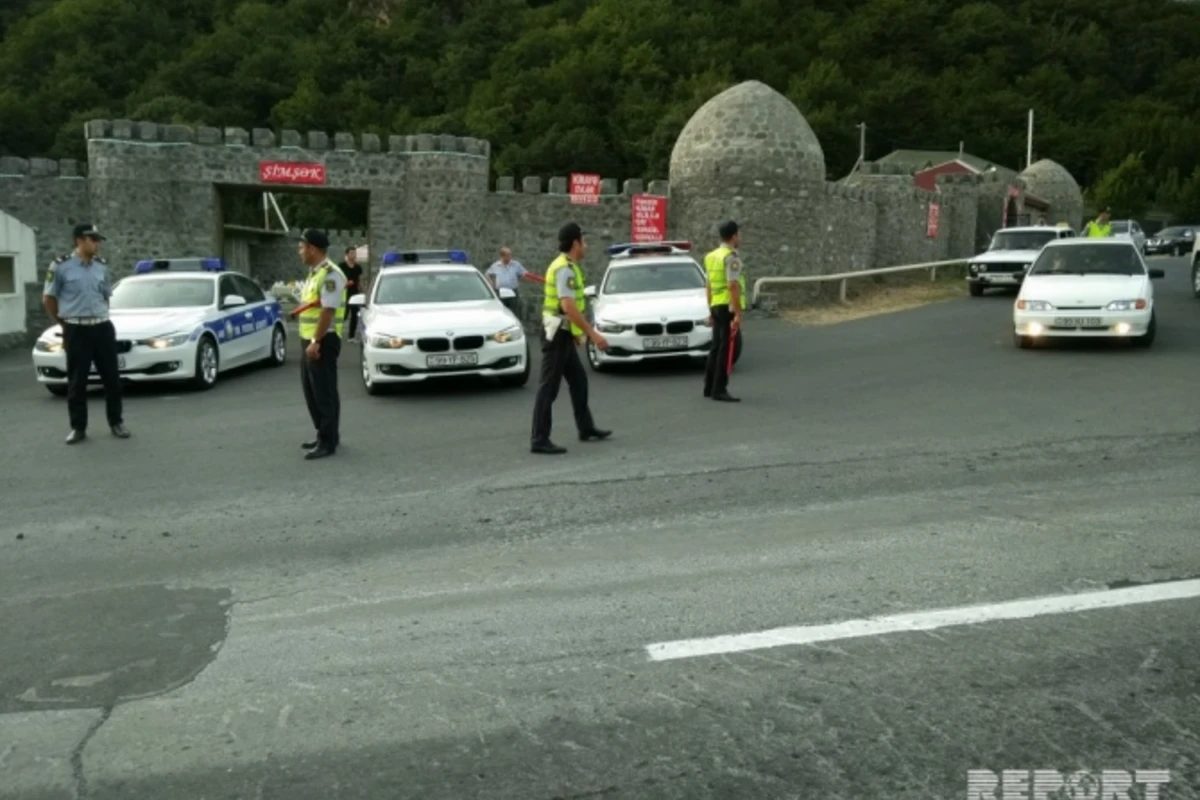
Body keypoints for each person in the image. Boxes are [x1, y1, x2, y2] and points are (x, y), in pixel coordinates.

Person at [42, 223, 130, 445]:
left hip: (102, 327)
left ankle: (116, 422)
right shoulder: (60, 266)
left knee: (112, 378)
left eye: (98, 240)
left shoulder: (101, 266)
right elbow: (48, 298)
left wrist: (101, 316)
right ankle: (78, 428)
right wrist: (64, 324)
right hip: (76, 328)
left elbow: (105, 296)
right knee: (77, 381)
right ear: (79, 241)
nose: (97, 244)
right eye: (93, 239)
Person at [530, 223, 611, 455]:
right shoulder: (565, 268)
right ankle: (539, 439)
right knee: (548, 389)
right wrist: (592, 333)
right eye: (584, 241)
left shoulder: (569, 266)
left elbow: (567, 309)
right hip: (556, 334)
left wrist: (576, 334)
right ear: (575, 243)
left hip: (563, 332)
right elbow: (568, 307)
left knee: (579, 380)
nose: (586, 246)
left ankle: (585, 428)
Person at [289, 229, 347, 460]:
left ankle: (327, 441)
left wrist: (315, 342)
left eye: (302, 246)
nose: (299, 250)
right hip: (311, 339)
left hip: (323, 339)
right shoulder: (315, 273)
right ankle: (325, 433)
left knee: (324, 391)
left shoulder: (331, 274)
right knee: (313, 390)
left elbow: (328, 311)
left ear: (313, 248)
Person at [702, 221, 744, 403]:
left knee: (716, 346)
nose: (740, 238)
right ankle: (720, 388)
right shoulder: (731, 257)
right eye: (739, 235)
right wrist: (737, 314)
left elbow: (709, 286)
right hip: (727, 305)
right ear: (734, 236)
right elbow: (732, 285)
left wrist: (709, 309)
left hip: (716, 305)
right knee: (725, 348)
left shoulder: (711, 256)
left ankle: (709, 386)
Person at [486, 247, 544, 317]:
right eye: (508, 255)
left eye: (510, 255)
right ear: (502, 256)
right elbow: (487, 274)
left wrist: (541, 279)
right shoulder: (495, 266)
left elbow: (526, 274)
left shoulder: (516, 265)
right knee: (501, 313)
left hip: (513, 292)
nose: (510, 257)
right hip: (500, 292)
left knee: (514, 313)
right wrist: (491, 282)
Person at [340, 246, 364, 342]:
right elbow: (336, 279)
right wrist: (344, 284)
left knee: (354, 315)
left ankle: (351, 336)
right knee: (344, 315)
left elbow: (360, 281)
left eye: (355, 253)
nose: (353, 255)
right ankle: (337, 333)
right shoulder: (341, 266)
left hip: (355, 294)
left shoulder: (358, 267)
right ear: (347, 254)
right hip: (344, 293)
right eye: (351, 253)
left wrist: (363, 291)